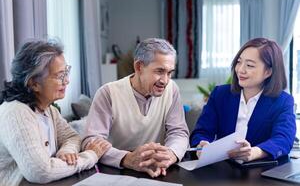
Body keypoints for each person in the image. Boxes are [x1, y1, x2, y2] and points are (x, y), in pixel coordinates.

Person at [0, 40, 111, 186]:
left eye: (66, 72)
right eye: (60, 76)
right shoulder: (16, 113)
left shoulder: (48, 109)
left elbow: (72, 137)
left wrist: (67, 151)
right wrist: (90, 156)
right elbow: (40, 172)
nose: (67, 81)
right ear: (34, 83)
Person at [83, 38, 189, 177]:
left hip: (158, 170)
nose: (165, 80)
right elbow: (91, 141)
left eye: (169, 73)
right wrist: (127, 159)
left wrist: (170, 154)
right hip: (116, 172)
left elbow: (179, 132)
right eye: (159, 71)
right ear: (139, 67)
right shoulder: (108, 93)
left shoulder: (172, 89)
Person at [190, 38, 296, 162]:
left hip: (260, 172)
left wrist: (254, 152)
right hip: (223, 168)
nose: (240, 70)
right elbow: (201, 131)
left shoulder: (283, 101)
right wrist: (201, 145)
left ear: (268, 72)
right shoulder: (220, 94)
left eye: (249, 65)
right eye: (239, 62)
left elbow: (283, 139)